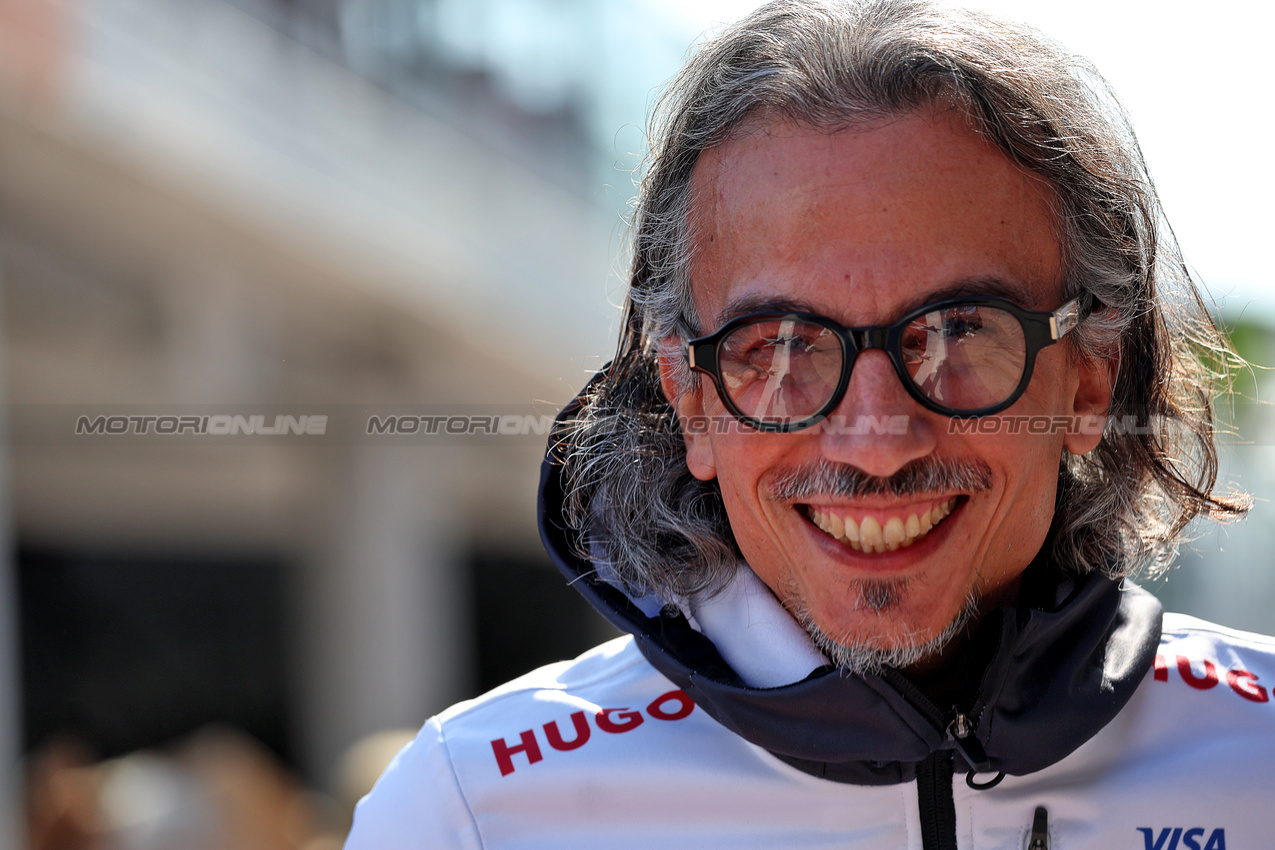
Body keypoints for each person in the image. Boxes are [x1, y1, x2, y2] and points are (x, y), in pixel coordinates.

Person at [345, 1, 1269, 847]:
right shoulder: (471, 810)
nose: (875, 439)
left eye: (957, 331)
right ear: (689, 401)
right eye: (778, 347)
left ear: (1088, 383)